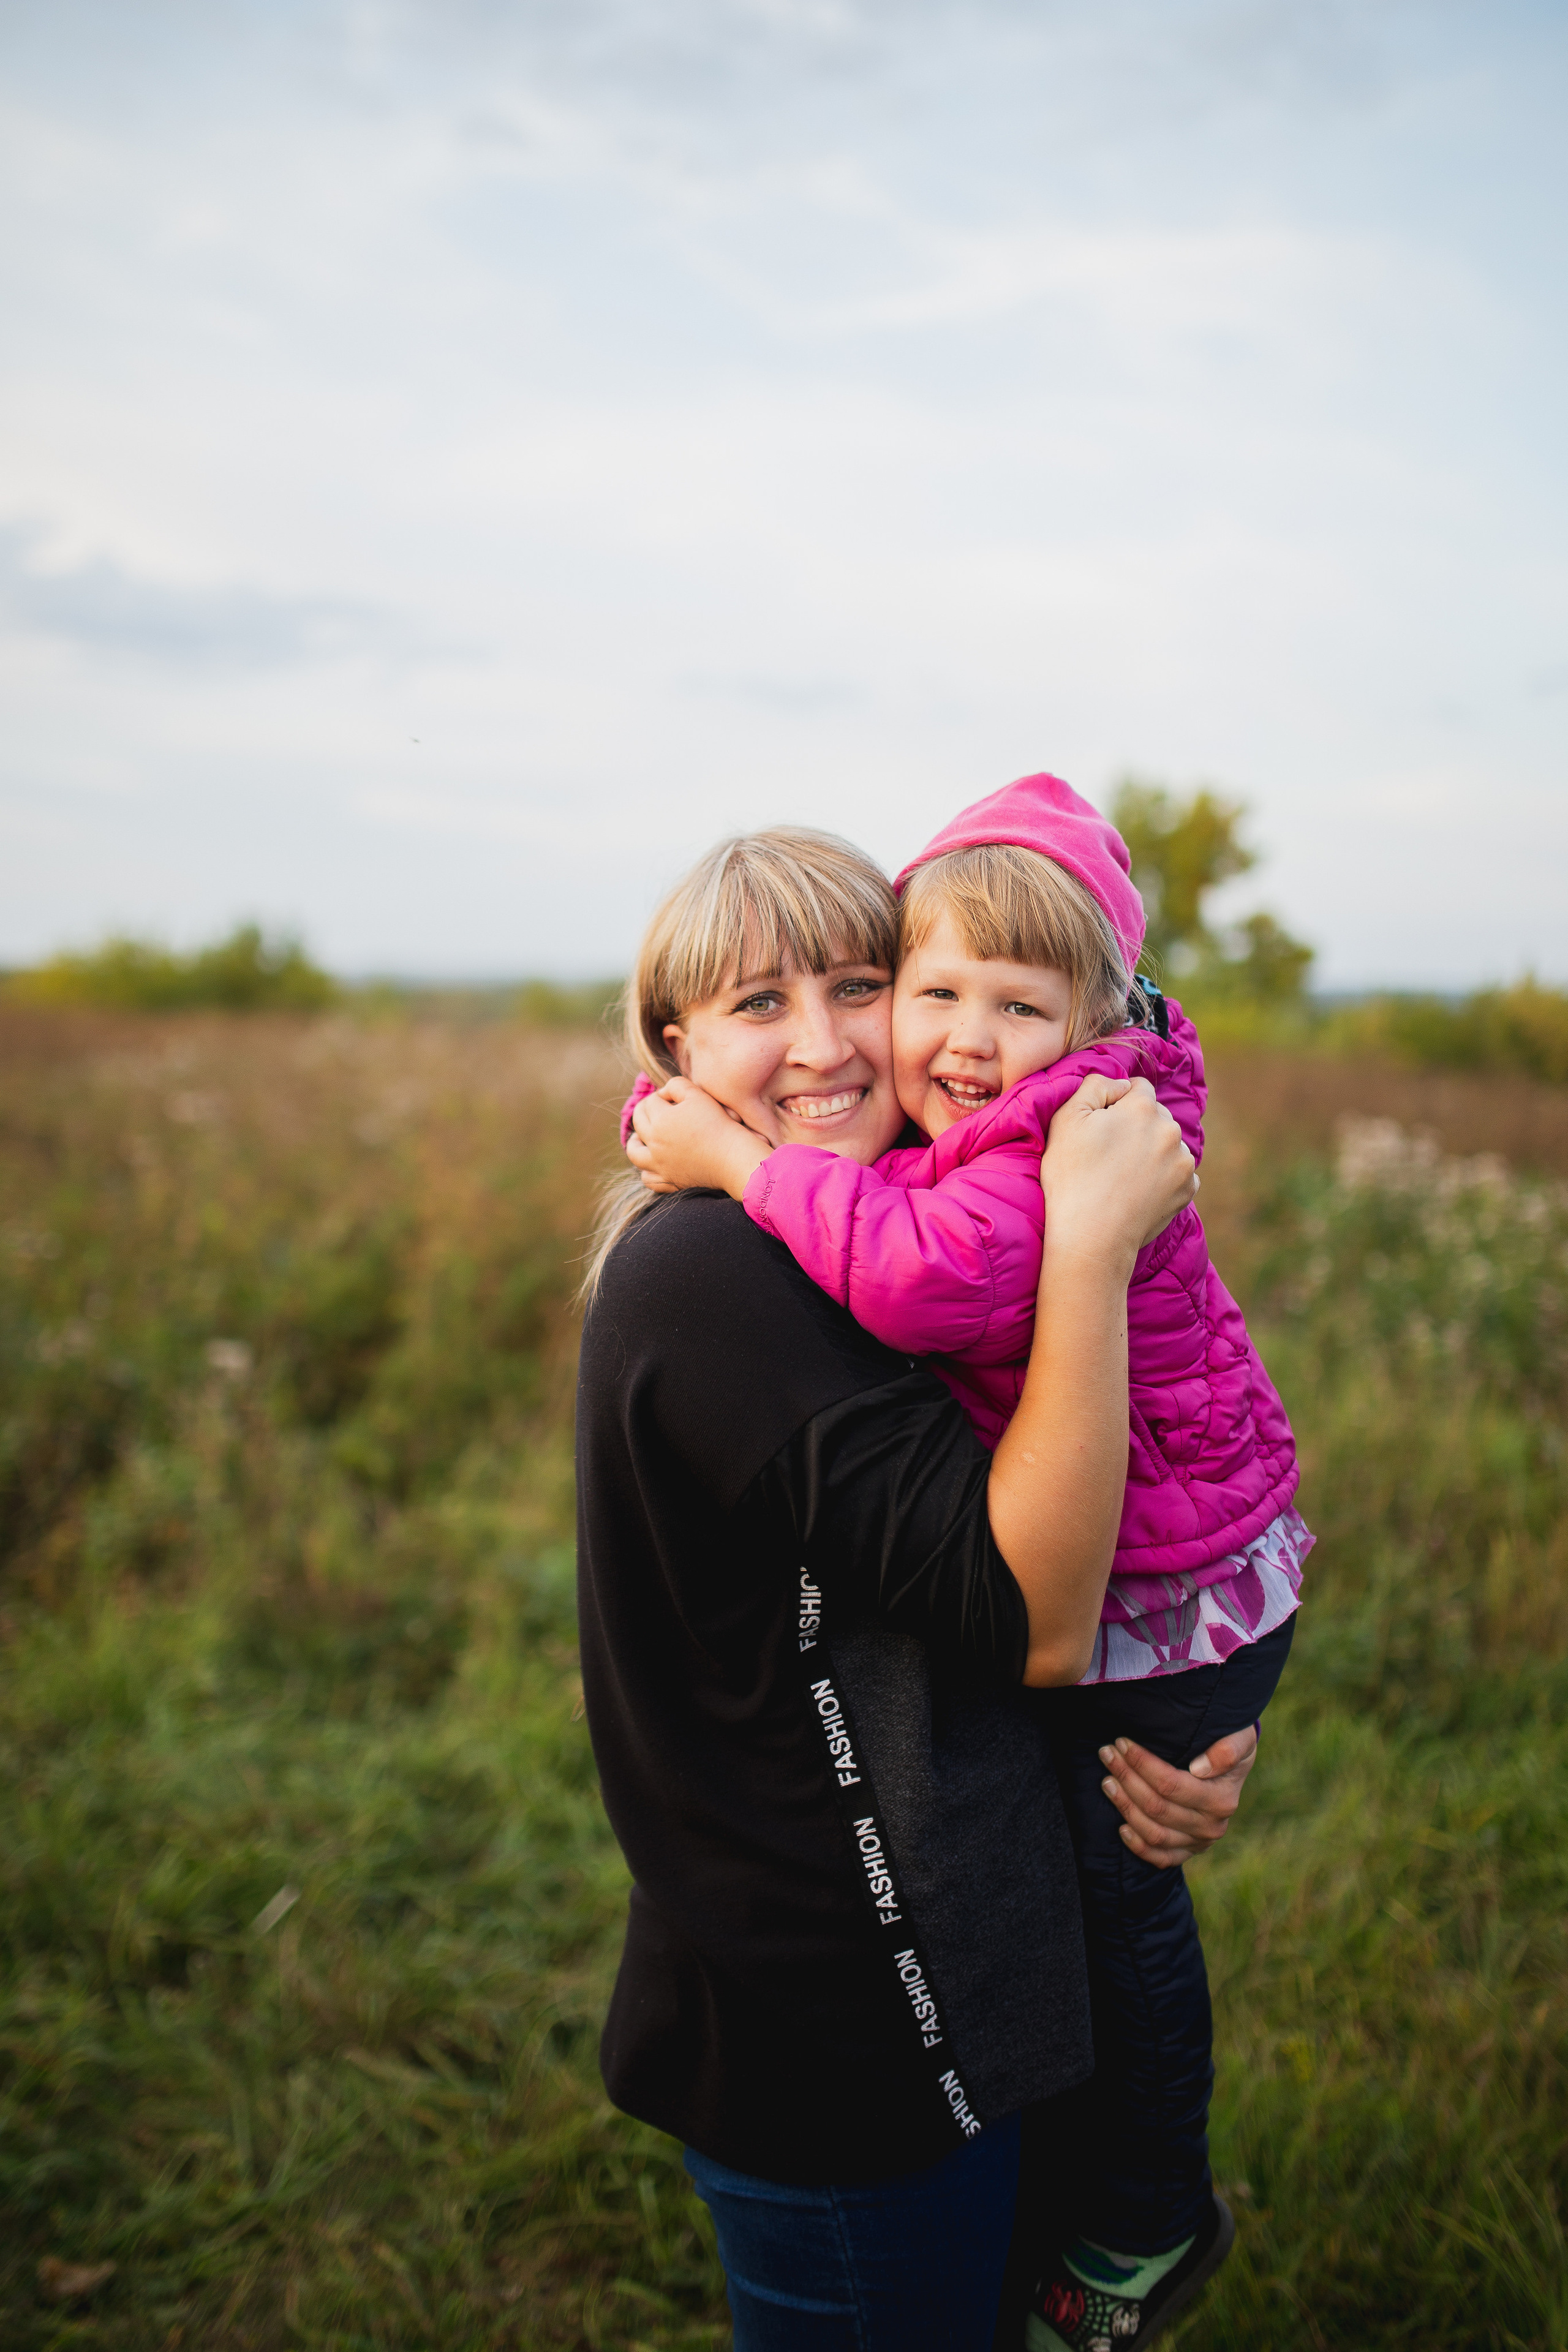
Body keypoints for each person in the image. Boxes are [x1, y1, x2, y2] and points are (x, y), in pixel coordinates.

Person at [625, 776, 1310, 2352]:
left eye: (856, 985)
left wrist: (1184, 1721)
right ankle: (1151, 2213)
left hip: (966, 1951)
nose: (830, 1043)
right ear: (669, 1052)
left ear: (1086, 1020)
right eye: (755, 1006)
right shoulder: (719, 1275)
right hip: (836, 2001)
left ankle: (1143, 2211)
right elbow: (1031, 1624)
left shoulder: (948, 1180)